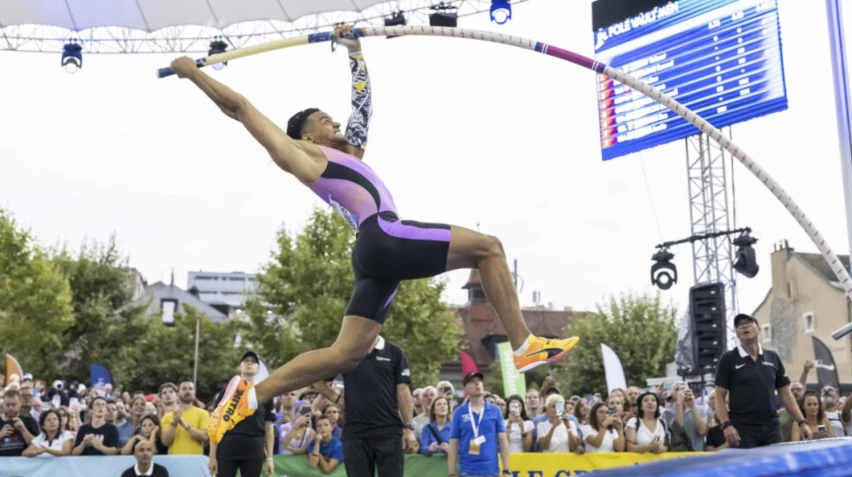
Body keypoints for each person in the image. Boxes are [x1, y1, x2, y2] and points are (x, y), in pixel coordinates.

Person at [167, 25, 581, 445]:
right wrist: (192, 73)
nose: (334, 121)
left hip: (373, 262)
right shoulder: (302, 155)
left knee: (344, 355)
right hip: (383, 235)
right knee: (489, 249)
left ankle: (248, 396)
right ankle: (524, 342)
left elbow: (362, 105)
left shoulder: (347, 156)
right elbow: (239, 107)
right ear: (308, 136)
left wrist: (354, 52)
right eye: (324, 120)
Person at [313, 334, 417, 477]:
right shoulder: (346, 352)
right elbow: (316, 378)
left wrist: (409, 428)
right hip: (355, 433)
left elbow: (403, 391)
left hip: (389, 432)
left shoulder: (394, 352)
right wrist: (337, 399)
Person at [714, 314, 811, 448]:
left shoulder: (772, 357)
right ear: (737, 334)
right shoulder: (728, 359)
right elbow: (719, 395)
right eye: (739, 326)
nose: (743, 327)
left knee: (774, 468)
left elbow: (785, 393)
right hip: (743, 429)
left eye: (748, 323)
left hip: (772, 428)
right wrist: (726, 425)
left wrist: (802, 421)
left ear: (759, 329)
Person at [210, 352, 276, 477]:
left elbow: (269, 428)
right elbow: (215, 425)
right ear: (239, 367)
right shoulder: (226, 393)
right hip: (227, 447)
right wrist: (212, 456)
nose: (249, 363)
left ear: (258, 368)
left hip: (254, 448)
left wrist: (270, 458)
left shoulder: (264, 392)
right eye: (245, 361)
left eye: (253, 362)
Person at [448, 371, 512, 477]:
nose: (477, 384)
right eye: (472, 381)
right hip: (468, 472)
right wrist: (452, 474)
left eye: (479, 381)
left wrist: (507, 470)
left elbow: (503, 441)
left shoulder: (495, 410)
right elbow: (453, 444)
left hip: (491, 471)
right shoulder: (459, 412)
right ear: (466, 389)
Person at [160, 380, 209, 455]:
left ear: (194, 392)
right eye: (184, 389)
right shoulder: (167, 416)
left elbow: (204, 437)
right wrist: (174, 423)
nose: (188, 391)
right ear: (177, 393)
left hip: (195, 460)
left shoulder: (203, 413)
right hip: (174, 460)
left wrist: (185, 425)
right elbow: (165, 442)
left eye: (190, 389)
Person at [0, 388, 39, 456]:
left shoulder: (30, 421)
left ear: (20, 404)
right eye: (7, 405)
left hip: (23, 464)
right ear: (3, 405)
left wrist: (23, 429)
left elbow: (37, 446)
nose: (10, 408)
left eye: (14, 404)